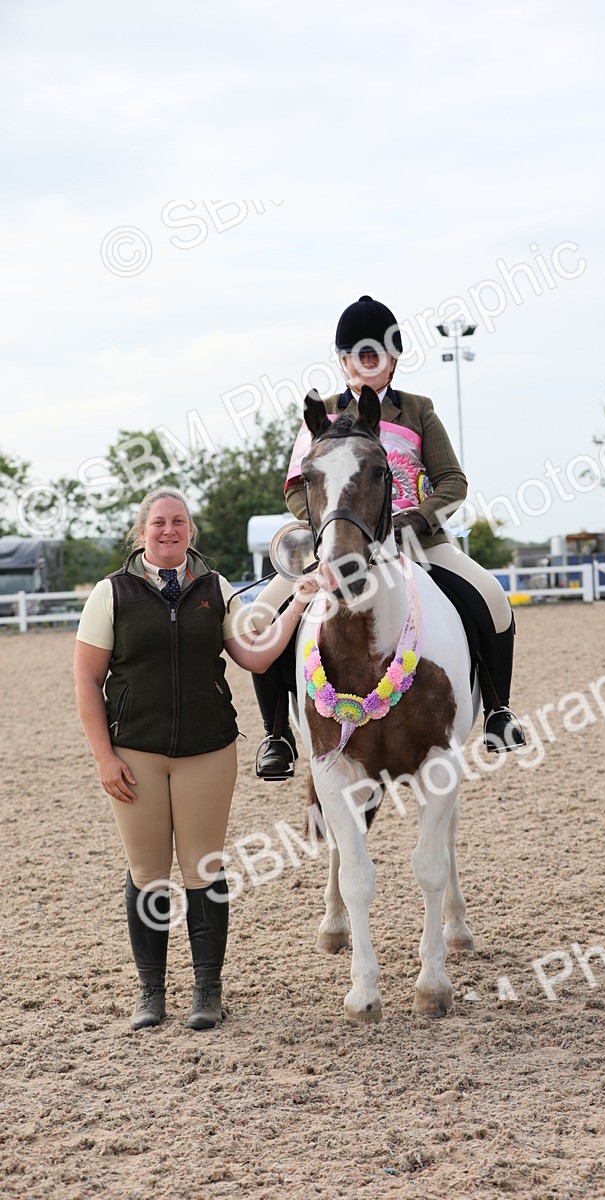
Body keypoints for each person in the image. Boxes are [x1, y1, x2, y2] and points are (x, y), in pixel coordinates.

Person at [252, 294, 527, 781]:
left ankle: (498, 711)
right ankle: (276, 735)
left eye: (376, 353)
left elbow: (453, 482)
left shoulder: (419, 411)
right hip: (343, 544)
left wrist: (416, 519)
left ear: (394, 359)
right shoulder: (324, 417)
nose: (367, 362)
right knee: (262, 617)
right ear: (342, 361)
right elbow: (297, 487)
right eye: (357, 354)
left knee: (492, 597)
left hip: (419, 539)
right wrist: (330, 530)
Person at [73, 487, 319, 1031]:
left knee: (204, 869)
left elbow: (255, 657)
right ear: (142, 533)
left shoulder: (216, 589)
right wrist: (103, 757)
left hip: (208, 750)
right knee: (147, 872)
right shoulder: (109, 594)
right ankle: (151, 993)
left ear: (190, 531)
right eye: (158, 523)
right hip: (134, 751)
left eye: (178, 522)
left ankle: (208, 990)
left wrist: (298, 601)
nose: (169, 531)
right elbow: (87, 680)